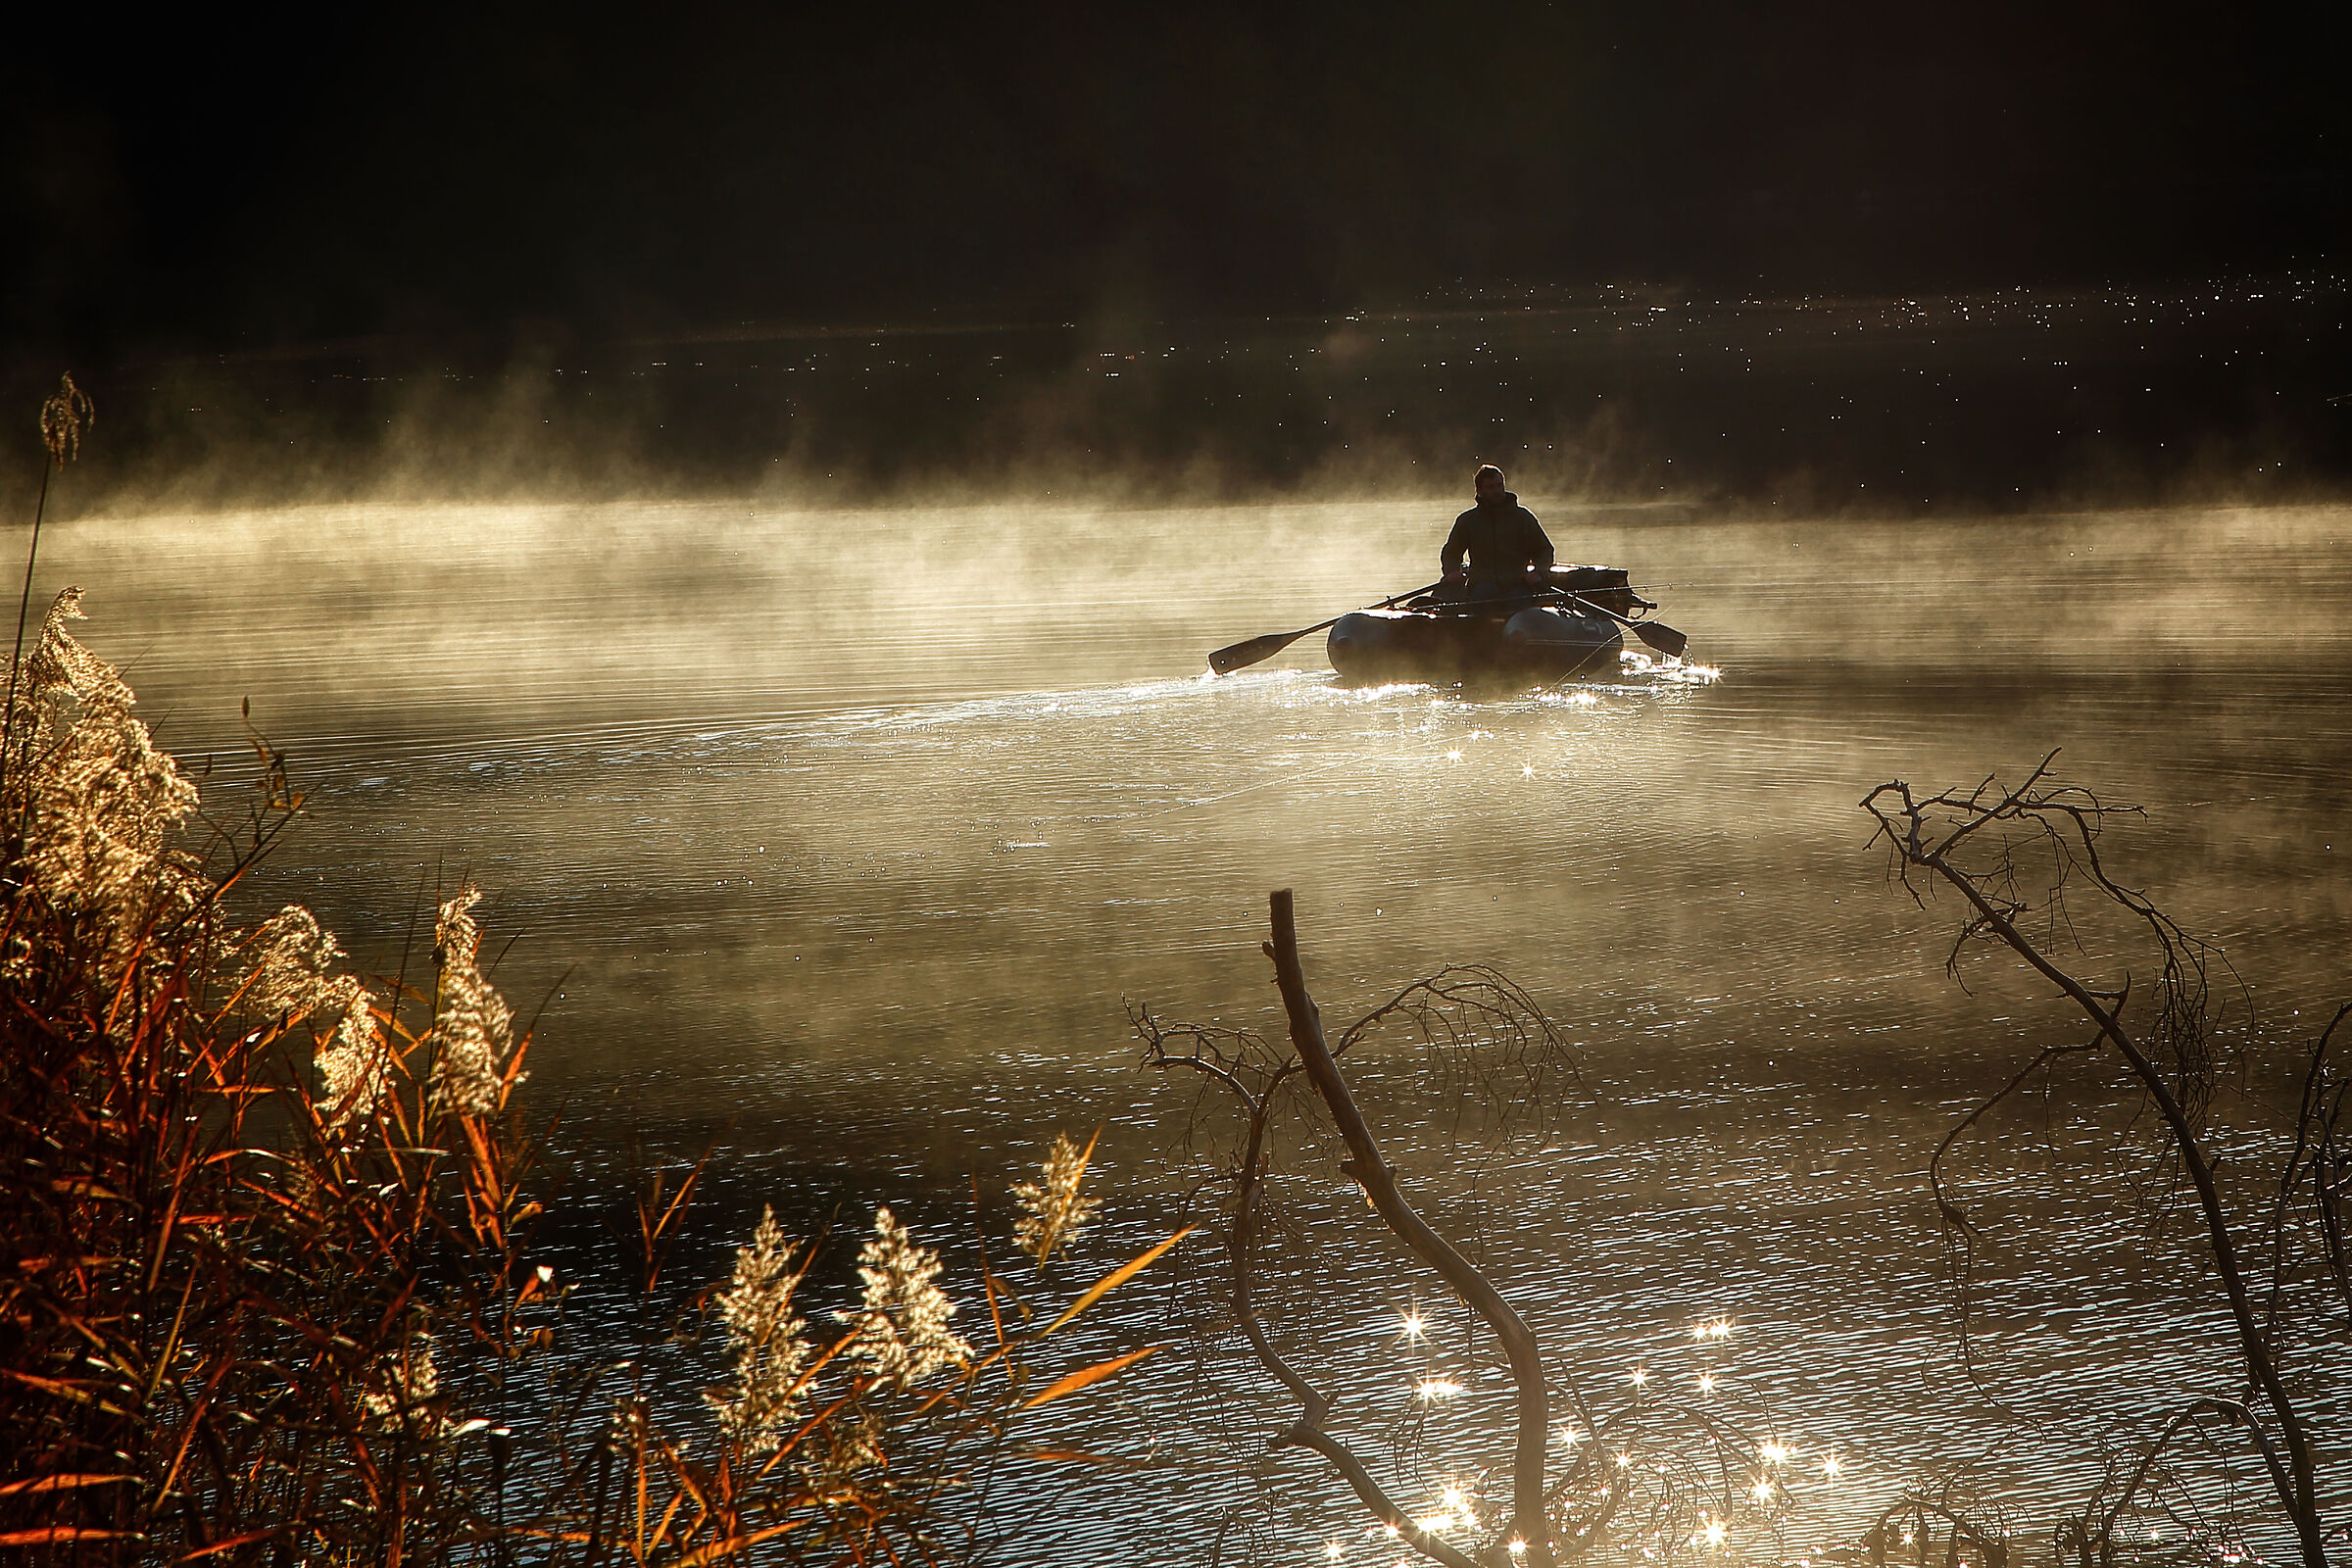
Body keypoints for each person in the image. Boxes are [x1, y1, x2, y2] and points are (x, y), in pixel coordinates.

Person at [1441, 466, 1554, 603]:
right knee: (1486, 595)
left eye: (1499, 485)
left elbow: (1544, 550)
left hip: (1518, 584)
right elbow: (1451, 553)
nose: (1497, 491)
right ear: (1479, 491)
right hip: (1482, 585)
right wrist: (1452, 571)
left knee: (1518, 601)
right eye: (1490, 487)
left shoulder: (1522, 517)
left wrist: (1539, 572)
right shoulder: (1468, 520)